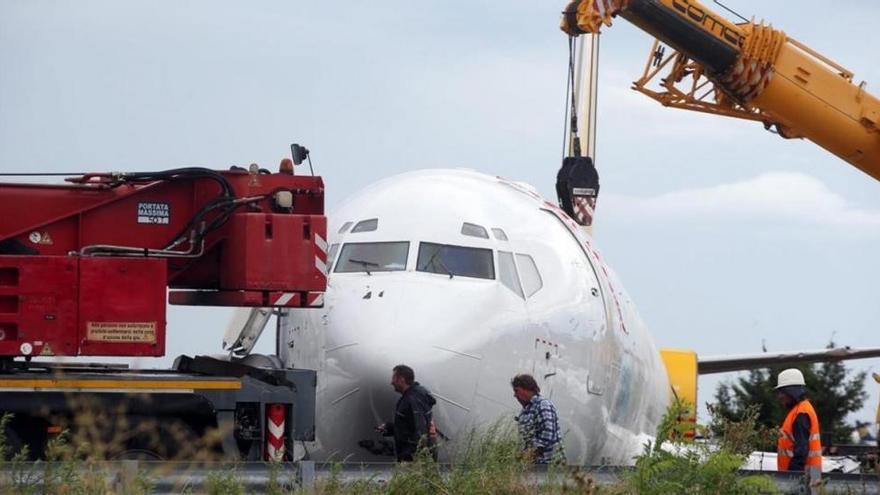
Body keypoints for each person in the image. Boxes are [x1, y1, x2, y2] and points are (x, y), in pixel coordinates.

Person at [376, 364, 437, 462]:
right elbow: (410, 426)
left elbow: (420, 429)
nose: (391, 382)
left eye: (393, 378)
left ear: (401, 379)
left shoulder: (413, 399)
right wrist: (390, 428)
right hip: (415, 454)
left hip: (414, 457)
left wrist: (410, 456)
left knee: (417, 477)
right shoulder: (413, 396)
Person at [775, 368, 822, 485]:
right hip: (811, 473)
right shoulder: (800, 410)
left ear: (791, 392)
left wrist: (790, 478)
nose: (779, 397)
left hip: (803, 476)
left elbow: (801, 450)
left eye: (782, 392)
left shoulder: (801, 413)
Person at [511, 373, 562, 464]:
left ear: (526, 389)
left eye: (516, 390)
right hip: (533, 464)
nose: (515, 395)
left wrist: (529, 455)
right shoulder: (525, 411)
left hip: (547, 466)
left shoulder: (543, 404)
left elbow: (548, 435)